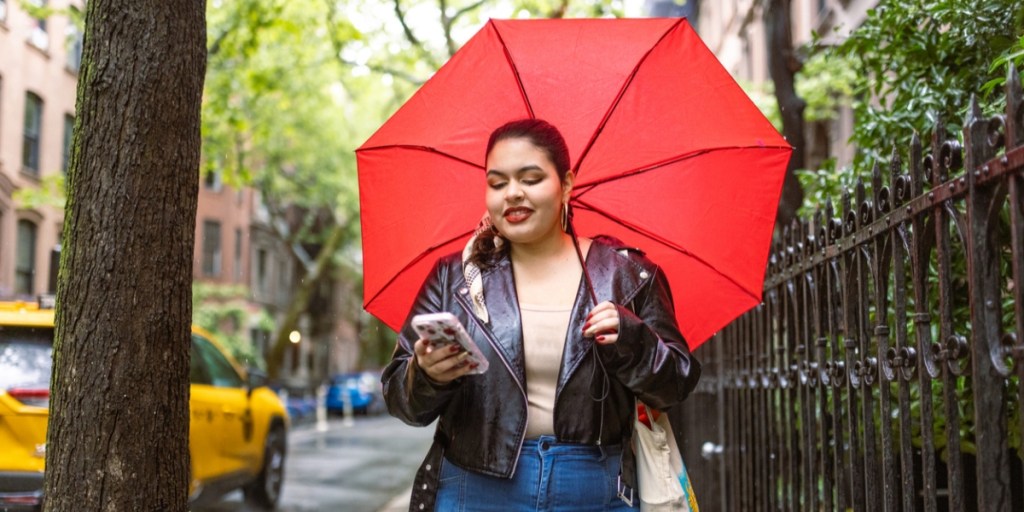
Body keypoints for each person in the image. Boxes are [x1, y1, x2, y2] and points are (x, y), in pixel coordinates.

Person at [382, 118, 701, 511]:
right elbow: (401, 399)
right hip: (475, 485)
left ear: (566, 183)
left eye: (530, 179)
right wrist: (426, 374)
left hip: (594, 488)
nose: (512, 194)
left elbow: (677, 385)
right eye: (497, 183)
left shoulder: (626, 276)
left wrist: (633, 342)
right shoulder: (454, 277)